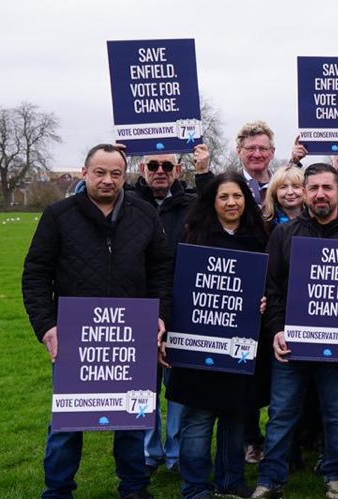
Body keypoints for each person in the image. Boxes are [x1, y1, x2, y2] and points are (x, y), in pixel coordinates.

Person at [22, 144, 174, 499]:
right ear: (84, 173)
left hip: (131, 333)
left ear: (125, 175)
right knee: (67, 421)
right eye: (100, 173)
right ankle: (58, 490)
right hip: (75, 335)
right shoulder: (58, 215)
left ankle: (134, 487)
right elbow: (36, 273)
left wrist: (160, 315)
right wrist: (46, 326)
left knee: (132, 417)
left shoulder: (144, 213)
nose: (108, 180)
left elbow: (161, 269)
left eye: (116, 174)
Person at [253, 163, 338, 499]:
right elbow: (272, 289)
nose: (320, 195)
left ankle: (335, 476)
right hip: (292, 345)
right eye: (313, 188)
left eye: (327, 188)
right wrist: (276, 330)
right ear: (305, 193)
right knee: (281, 414)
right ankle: (270, 480)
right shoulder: (285, 234)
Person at [167, 172, 271, 499]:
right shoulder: (192, 237)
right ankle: (195, 486)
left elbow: (271, 282)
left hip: (240, 345)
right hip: (199, 344)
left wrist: (265, 298)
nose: (231, 202)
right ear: (212, 201)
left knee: (235, 417)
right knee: (198, 419)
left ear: (246, 200)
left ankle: (231, 481)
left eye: (237, 196)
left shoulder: (259, 238)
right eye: (223, 196)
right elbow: (174, 284)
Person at [126, 149, 202, 473]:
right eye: (154, 165)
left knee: (179, 384)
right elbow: (86, 196)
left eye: (167, 165)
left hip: (182, 304)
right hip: (139, 303)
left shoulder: (192, 204)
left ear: (178, 170)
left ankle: (176, 453)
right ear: (142, 168)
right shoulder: (127, 202)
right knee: (144, 383)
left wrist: (205, 171)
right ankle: (148, 452)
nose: (160, 170)